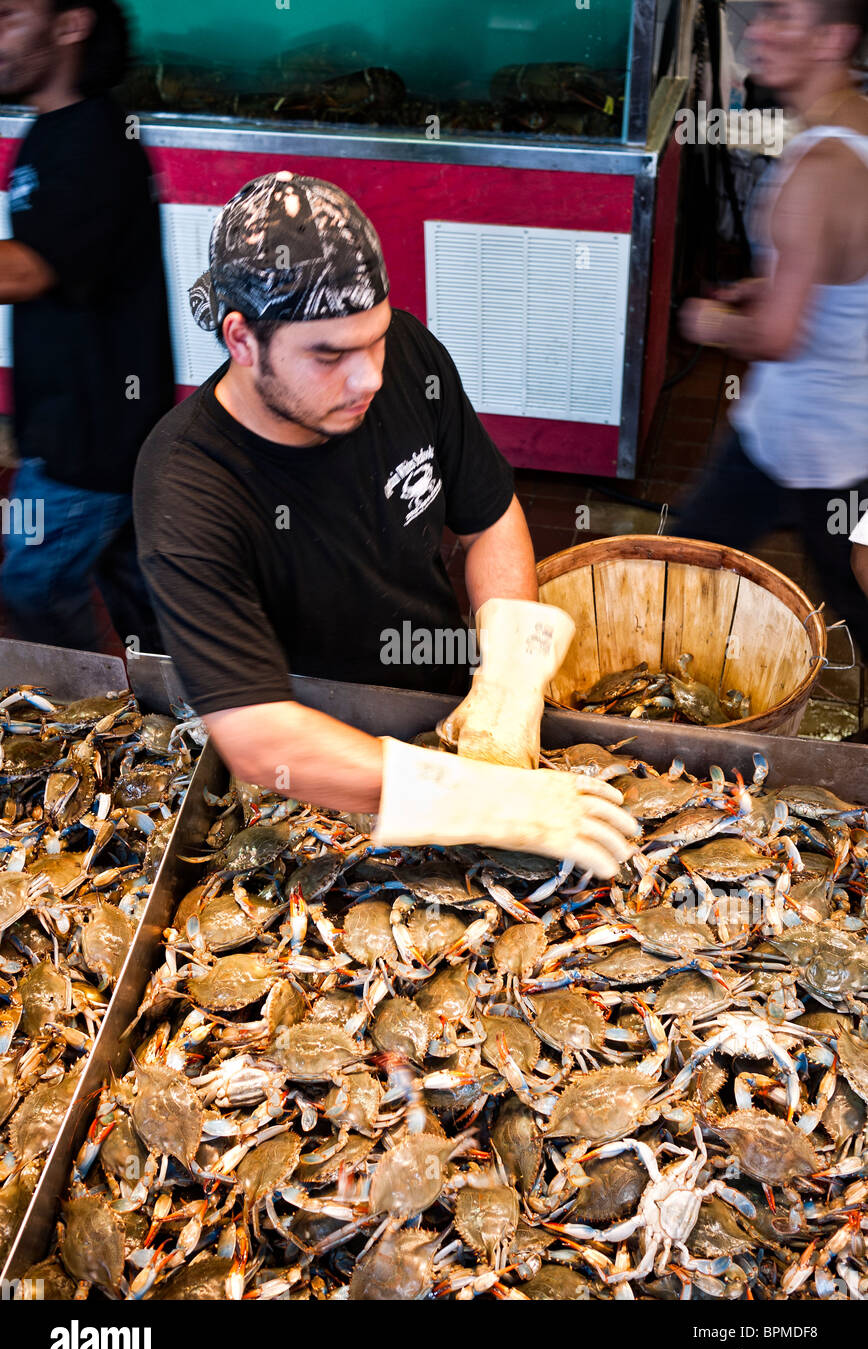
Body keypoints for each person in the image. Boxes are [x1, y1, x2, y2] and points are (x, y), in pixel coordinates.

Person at [134, 172, 637, 875]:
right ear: (241, 340)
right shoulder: (186, 484)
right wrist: (480, 799)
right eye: (329, 355)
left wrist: (509, 679)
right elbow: (256, 735)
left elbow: (489, 518)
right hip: (313, 770)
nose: (368, 377)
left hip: (440, 709)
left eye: (373, 339)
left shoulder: (406, 359)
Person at [675, 0, 868, 654]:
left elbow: (783, 337)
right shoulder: (858, 128)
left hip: (799, 440)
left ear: (833, 39)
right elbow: (847, 265)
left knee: (684, 567)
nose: (756, 32)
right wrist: (779, 281)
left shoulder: (817, 170)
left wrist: (713, 322)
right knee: (852, 591)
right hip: (849, 438)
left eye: (782, 17)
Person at [0, 0, 173, 652]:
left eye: (10, 15)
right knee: (140, 600)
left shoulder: (94, 138)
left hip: (91, 436)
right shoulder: (55, 128)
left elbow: (29, 269)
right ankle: (173, 723)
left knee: (33, 586)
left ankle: (81, 717)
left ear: (71, 24)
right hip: (90, 426)